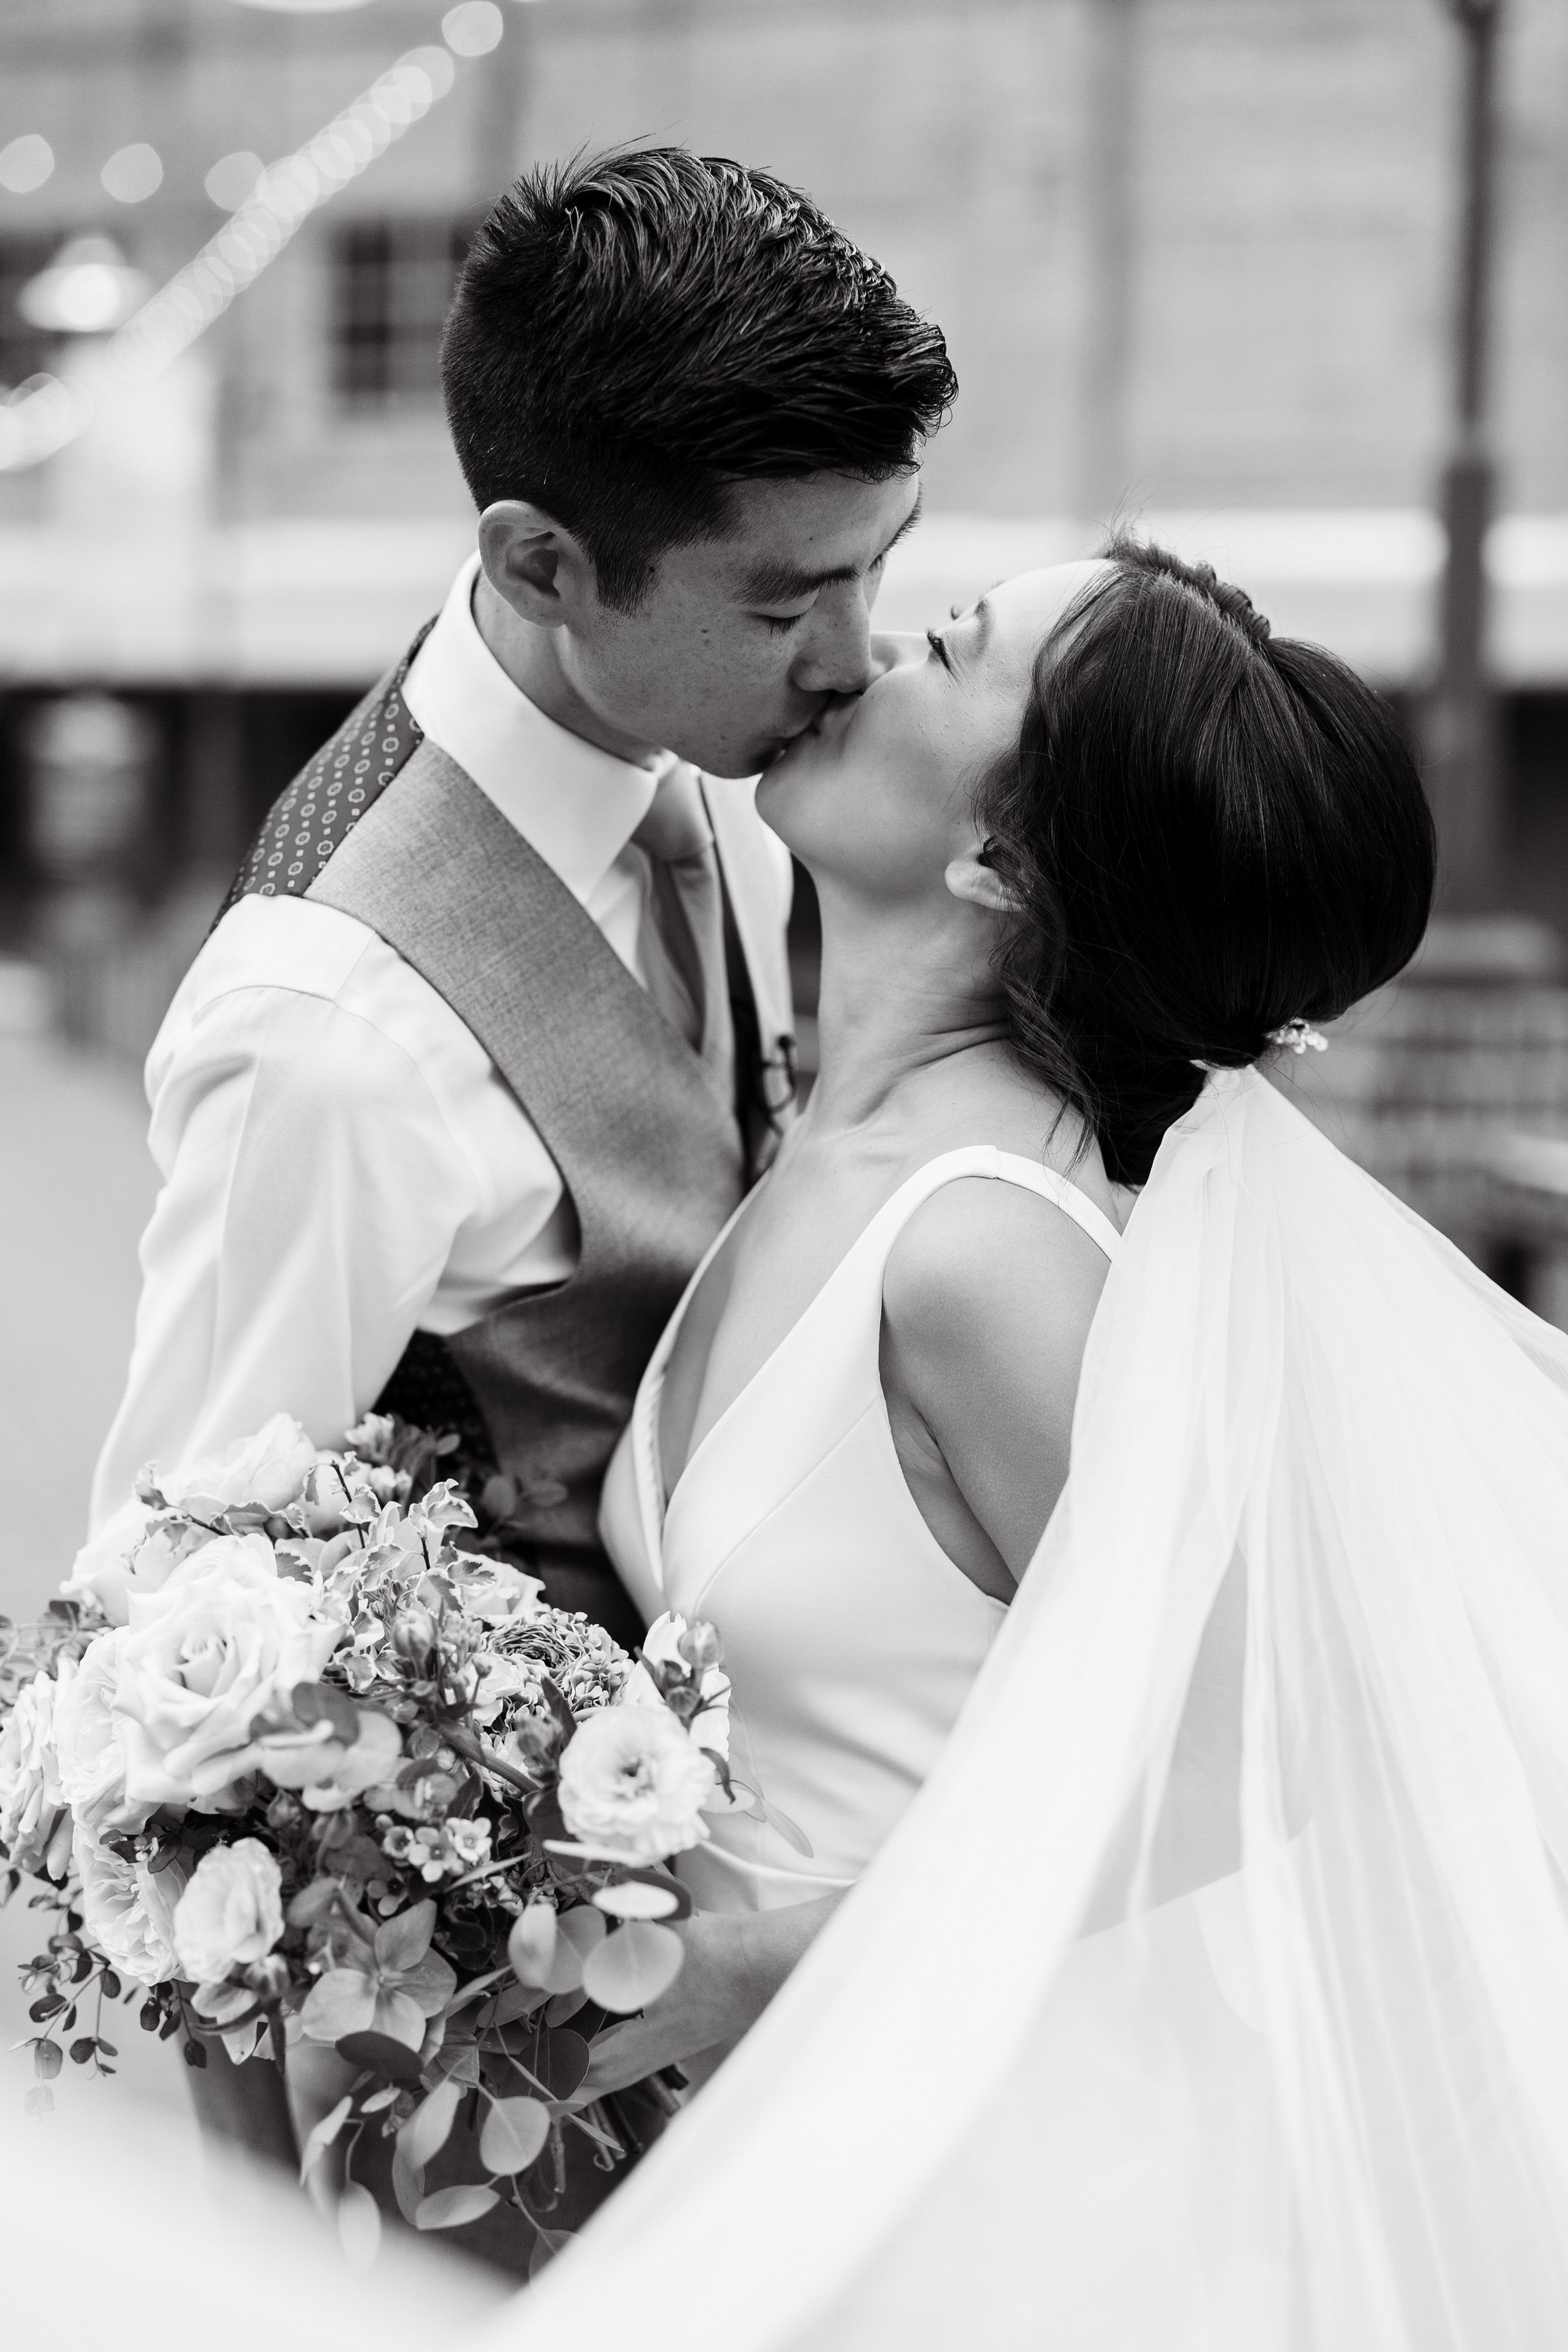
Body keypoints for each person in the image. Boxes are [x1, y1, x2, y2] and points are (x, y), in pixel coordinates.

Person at [498, 542, 1568, 2345]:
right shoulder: (813, 1156)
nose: (861, 659)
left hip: (996, 2212)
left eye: (946, 647)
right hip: (795, 2156)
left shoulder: (983, 1256)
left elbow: (1277, 1753)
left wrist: (788, 1955)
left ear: (1001, 856)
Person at [81, 148, 954, 2249]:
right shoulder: (331, 1026)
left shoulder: (735, 773)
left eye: (880, 564)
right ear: (542, 558)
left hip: (820, 1907)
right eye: (780, 600)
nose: (856, 656)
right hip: (542, 2085)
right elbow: (164, 1681)